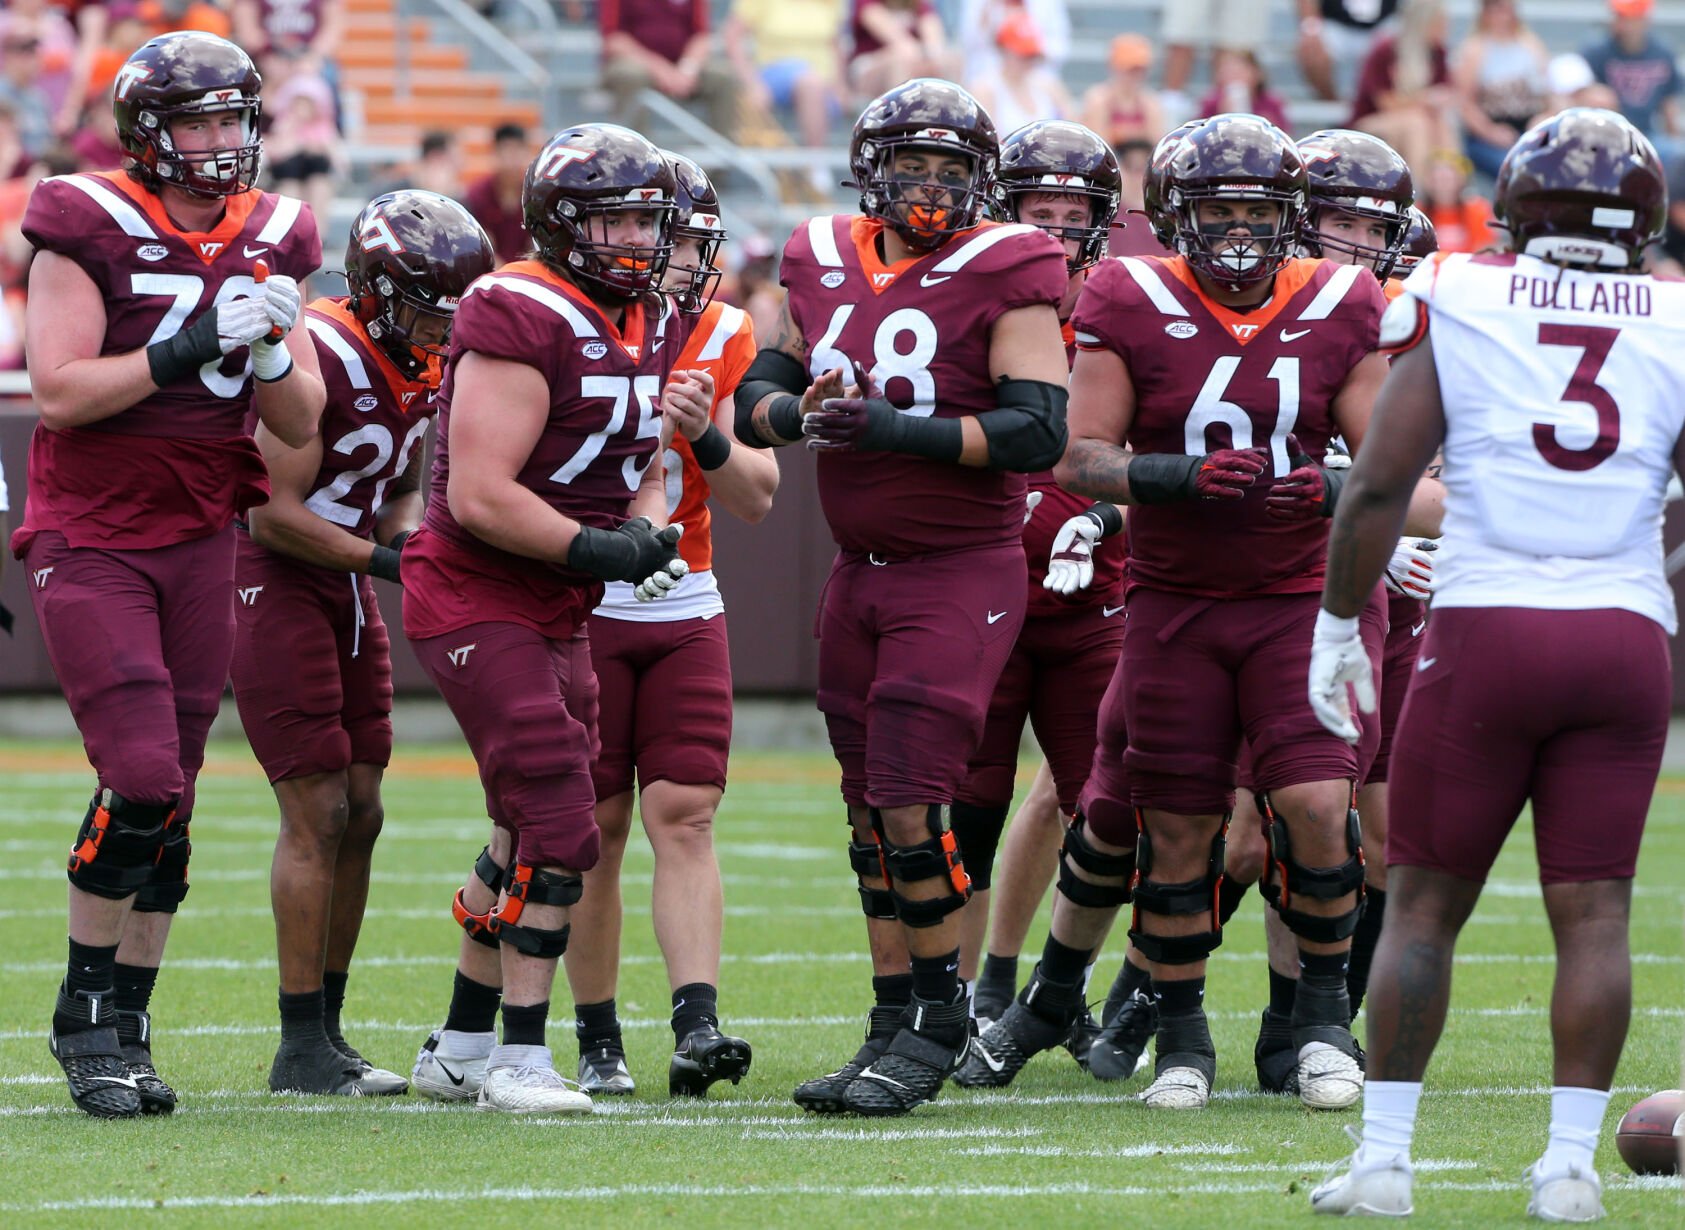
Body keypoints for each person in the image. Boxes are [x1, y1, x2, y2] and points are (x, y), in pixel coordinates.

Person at [1308, 107, 1676, 1222]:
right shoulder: (1671, 314)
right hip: (1619, 633)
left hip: (1484, 624)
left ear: (1516, 208)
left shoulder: (1464, 292)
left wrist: (1334, 626)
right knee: (1596, 915)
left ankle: (1382, 1162)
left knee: (1419, 905)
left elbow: (1376, 483)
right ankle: (1566, 1170)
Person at [734, 77, 1070, 1116]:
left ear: (981, 183)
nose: (929, 187)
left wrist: (892, 432)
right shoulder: (819, 254)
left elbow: (1036, 431)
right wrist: (804, 415)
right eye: (912, 166)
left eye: (950, 170)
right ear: (870, 169)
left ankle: (936, 1019)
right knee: (865, 819)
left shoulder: (1009, 264)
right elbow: (756, 397)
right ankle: (889, 1021)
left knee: (911, 807)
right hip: (857, 574)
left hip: (956, 569)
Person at [1052, 113, 1399, 1113]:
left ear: (1288, 217)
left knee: (1314, 807)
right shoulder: (1126, 290)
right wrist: (1175, 476)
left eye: (1256, 211)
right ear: (1174, 219)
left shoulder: (1342, 295)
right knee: (1175, 825)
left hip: (1296, 598)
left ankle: (1322, 1024)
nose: (1239, 232)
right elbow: (1079, 455)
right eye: (1217, 212)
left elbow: (1380, 459)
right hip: (1174, 600)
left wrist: (1328, 484)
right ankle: (1180, 1040)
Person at [16, 31, 323, 1118]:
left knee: (175, 801)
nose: (222, 140)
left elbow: (300, 426)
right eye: (199, 121)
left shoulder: (273, 234)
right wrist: (192, 345)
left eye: (235, 118)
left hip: (204, 536)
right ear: (149, 134)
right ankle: (83, 1013)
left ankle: (131, 1025)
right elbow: (57, 390)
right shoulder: (84, 218)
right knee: (141, 776)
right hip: (95, 534)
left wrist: (277, 352)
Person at [403, 122, 691, 1115]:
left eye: (647, 220)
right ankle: (522, 1058)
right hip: (479, 592)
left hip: (558, 602)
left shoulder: (649, 315)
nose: (636, 239)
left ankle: (458, 1045)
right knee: (565, 825)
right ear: (561, 226)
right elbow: (479, 492)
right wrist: (597, 548)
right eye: (614, 218)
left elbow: (648, 460)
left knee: (518, 826)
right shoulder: (517, 305)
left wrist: (648, 529)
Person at [231, 190, 494, 1096]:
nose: (443, 329)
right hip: (277, 577)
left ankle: (329, 1030)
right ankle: (299, 1042)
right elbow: (268, 513)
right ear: (380, 290)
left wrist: (420, 542)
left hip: (343, 578)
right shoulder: (324, 343)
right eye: (430, 308)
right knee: (319, 810)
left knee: (365, 806)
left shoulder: (424, 360)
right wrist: (393, 563)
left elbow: (401, 491)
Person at [565, 154, 779, 1099]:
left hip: (684, 596)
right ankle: (596, 1033)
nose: (682, 258)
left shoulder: (722, 331)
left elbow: (758, 498)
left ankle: (698, 1023)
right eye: (667, 235)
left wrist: (701, 432)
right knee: (595, 827)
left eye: (694, 239)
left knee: (683, 816)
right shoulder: (564, 318)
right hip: (582, 598)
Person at [934, 121, 1125, 1065]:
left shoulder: (1131, 304)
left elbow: (1161, 449)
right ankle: (965, 999)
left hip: (1097, 596)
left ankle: (1061, 990)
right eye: (1034, 211)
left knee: (1108, 803)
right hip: (982, 583)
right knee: (968, 803)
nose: (1053, 229)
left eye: (1071, 213)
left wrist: (1112, 521)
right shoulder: (968, 298)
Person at [599, 0, 738, 139]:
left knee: (722, 76)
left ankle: (725, 152)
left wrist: (687, 69)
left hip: (682, 64)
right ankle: (634, 151)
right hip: (636, 62)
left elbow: (701, 36)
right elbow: (613, 39)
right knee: (630, 75)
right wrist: (661, 70)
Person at [1349, 0, 1454, 183]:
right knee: (1417, 122)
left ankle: (1448, 189)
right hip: (1371, 121)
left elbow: (1447, 93)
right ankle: (1421, 190)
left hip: (1417, 118)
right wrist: (1426, 99)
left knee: (1441, 122)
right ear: (1423, 22)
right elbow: (1386, 103)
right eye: (1439, 22)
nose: (1445, 27)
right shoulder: (1385, 51)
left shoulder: (1437, 53)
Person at [1452, 0, 1549, 181]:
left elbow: (1549, 94)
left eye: (1505, 8)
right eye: (1494, 9)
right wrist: (1491, 132)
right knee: (1513, 167)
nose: (1501, 15)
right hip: (1490, 133)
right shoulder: (1474, 50)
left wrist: (1542, 120)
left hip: (1529, 126)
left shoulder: (1531, 45)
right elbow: (1465, 103)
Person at [1582, 0, 1682, 160]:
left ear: (1644, 20)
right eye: (1618, 16)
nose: (1621, 23)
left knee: (1677, 154)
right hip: (1607, 135)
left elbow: (1668, 106)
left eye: (1627, 18)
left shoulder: (1662, 53)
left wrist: (1676, 139)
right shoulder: (1596, 53)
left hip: (1648, 134)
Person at [968, 12, 1073, 139]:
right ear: (1004, 50)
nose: (1028, 62)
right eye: (1023, 55)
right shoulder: (985, 89)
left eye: (1032, 56)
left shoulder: (1049, 86)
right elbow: (989, 144)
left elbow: (1073, 130)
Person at [1298, 0, 1400, 104]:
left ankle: (1384, 103)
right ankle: (1333, 103)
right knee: (1311, 49)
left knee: (1407, 46)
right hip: (1336, 24)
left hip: (1385, 22)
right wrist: (1310, 27)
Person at [1079, 35, 1164, 153]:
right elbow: (1100, 147)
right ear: (1114, 67)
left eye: (1140, 70)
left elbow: (1156, 146)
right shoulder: (1099, 99)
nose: (1136, 76)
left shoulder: (1150, 101)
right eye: (1131, 70)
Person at [464, 122, 531, 263]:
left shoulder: (535, 195)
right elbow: (480, 247)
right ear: (495, 153)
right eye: (506, 152)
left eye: (517, 152)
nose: (511, 161)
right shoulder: (477, 194)